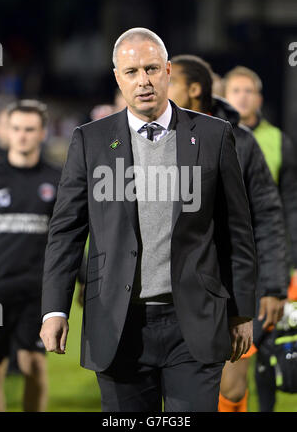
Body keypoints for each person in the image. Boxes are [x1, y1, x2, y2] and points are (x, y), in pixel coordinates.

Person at [40, 27, 256, 413]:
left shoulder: (213, 135)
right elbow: (66, 232)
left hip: (194, 321)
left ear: (168, 70)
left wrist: (241, 312)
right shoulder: (90, 140)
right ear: (118, 78)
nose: (144, 81)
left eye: (152, 69)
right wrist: (55, 308)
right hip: (118, 322)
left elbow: (235, 230)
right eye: (132, 71)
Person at [168, 54, 287, 412]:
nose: (160, 87)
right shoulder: (158, 136)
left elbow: (267, 214)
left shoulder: (242, 141)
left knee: (232, 388)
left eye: (170, 81)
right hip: (178, 282)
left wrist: (275, 285)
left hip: (232, 281)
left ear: (194, 90)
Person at [224, 66, 297, 411]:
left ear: (259, 98)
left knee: (270, 351)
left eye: (248, 91)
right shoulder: (216, 135)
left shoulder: (278, 140)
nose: (242, 97)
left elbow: (287, 207)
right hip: (232, 261)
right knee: (233, 360)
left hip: (268, 259)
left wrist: (287, 264)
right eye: (235, 90)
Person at [0, 100, 61, 412]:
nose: (22, 135)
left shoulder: (57, 178)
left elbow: (68, 238)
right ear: (6, 131)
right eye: (17, 129)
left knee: (34, 364)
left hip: (37, 291)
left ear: (42, 133)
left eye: (30, 129)